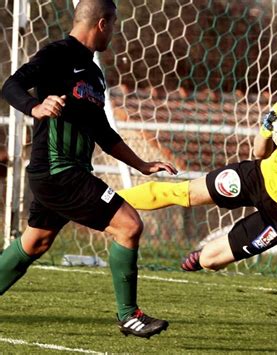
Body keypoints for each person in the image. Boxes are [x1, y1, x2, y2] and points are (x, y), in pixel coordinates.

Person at [0, 0, 177, 339]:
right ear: (102, 23)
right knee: (128, 225)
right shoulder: (57, 54)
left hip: (67, 172)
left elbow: (103, 133)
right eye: (113, 24)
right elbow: (11, 85)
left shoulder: (93, 74)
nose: (114, 31)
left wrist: (141, 164)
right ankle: (129, 315)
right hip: (57, 170)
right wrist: (36, 106)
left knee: (35, 243)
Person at [118, 56, 277, 272]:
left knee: (210, 260)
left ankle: (204, 256)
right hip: (259, 176)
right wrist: (267, 128)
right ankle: (100, 202)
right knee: (181, 191)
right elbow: (260, 153)